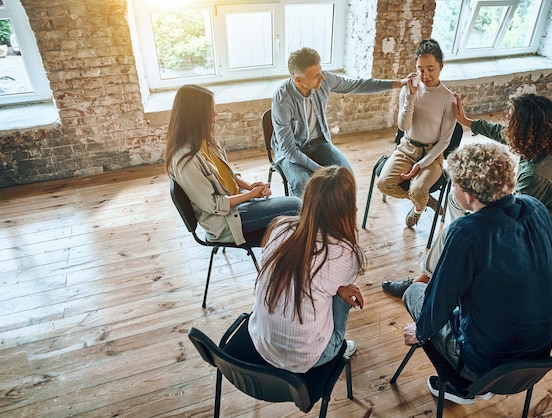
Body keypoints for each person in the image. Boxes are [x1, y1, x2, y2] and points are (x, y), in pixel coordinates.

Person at [401, 142, 552, 405]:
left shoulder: (465, 232)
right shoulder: (536, 207)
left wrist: (420, 331)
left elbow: (439, 301)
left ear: (469, 195)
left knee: (414, 291)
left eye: (454, 184)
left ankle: (462, 384)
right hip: (537, 360)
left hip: (487, 365)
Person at [382, 93, 552, 296]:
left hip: (533, 231)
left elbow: (511, 219)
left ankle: (423, 280)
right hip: (529, 212)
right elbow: (504, 134)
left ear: (526, 129)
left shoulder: (536, 175)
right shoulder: (548, 140)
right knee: (454, 201)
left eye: (511, 120)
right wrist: (468, 122)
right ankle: (457, 252)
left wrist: (472, 227)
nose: (507, 125)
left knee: (454, 232)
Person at [248, 166, 365, 373]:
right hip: (308, 357)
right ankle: (339, 346)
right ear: (349, 208)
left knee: (326, 286)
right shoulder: (347, 253)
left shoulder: (280, 227)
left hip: (260, 341)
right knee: (346, 292)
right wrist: (339, 289)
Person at [165, 84, 302, 245]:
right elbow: (213, 205)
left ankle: (288, 252)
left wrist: (250, 187)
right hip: (227, 221)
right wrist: (251, 195)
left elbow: (226, 174)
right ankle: (291, 256)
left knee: (294, 220)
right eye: (210, 109)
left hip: (238, 203)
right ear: (195, 115)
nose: (215, 113)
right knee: (295, 206)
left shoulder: (202, 139)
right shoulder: (185, 160)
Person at [271, 47, 408, 197]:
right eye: (316, 75)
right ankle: (304, 220)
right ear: (299, 80)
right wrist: (319, 169)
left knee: (345, 175)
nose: (322, 78)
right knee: (303, 184)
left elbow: (357, 85)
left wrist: (398, 83)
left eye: (321, 71)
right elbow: (289, 150)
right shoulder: (282, 99)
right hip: (291, 152)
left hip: (318, 143)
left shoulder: (324, 80)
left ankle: (338, 216)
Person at [376, 39, 457, 228]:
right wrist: (411, 96)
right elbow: (404, 126)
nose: (425, 75)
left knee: (418, 188)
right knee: (383, 185)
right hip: (406, 148)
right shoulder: (408, 89)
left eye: (431, 69)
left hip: (432, 155)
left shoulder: (448, 99)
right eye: (420, 69)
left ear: (441, 66)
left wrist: (421, 165)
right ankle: (423, 200)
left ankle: (418, 208)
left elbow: (445, 141)